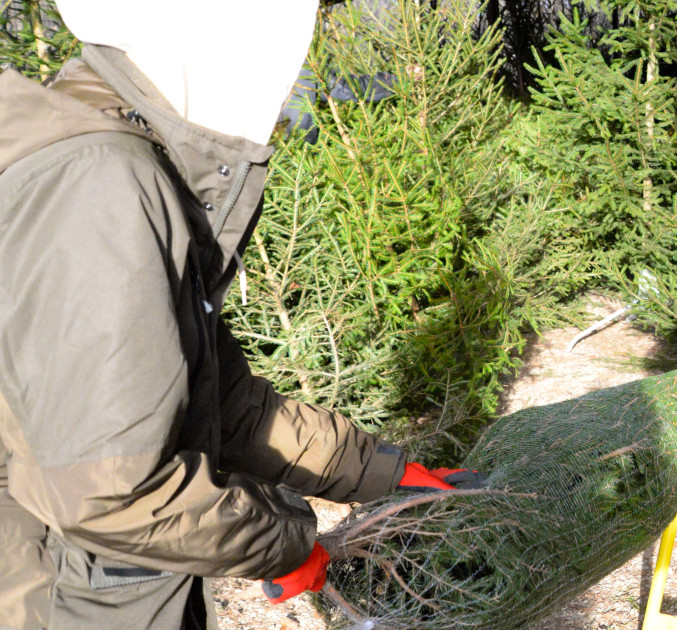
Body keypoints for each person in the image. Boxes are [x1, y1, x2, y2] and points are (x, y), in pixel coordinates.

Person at [0, 2, 481, 628]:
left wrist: (379, 472)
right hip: (63, 601)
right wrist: (285, 544)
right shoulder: (98, 184)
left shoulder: (116, 156)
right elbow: (109, 493)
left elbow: (221, 403)